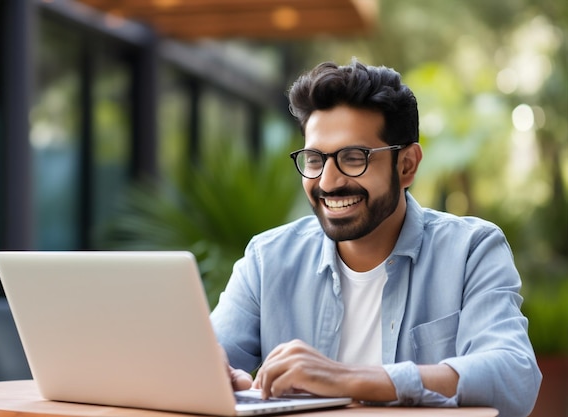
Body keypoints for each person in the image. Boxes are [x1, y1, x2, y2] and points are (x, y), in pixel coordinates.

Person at [210, 59, 541, 416]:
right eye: (314, 159)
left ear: (407, 166)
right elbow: (203, 360)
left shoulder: (470, 251)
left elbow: (514, 377)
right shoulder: (268, 258)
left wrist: (348, 379)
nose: (328, 182)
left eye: (354, 158)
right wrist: (223, 380)